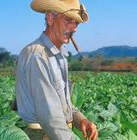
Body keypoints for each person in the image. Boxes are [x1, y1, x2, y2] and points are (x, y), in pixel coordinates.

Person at [16, 0, 98, 140]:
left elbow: (61, 103)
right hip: (42, 135)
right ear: (50, 18)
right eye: (68, 20)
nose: (74, 28)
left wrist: (80, 120)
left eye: (76, 23)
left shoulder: (59, 55)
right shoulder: (37, 56)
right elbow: (50, 116)